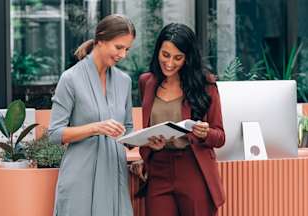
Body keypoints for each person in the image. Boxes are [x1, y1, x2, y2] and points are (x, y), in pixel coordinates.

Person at [133, 23, 226, 216]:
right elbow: (148, 129)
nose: (169, 63)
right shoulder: (147, 82)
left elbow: (220, 137)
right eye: (165, 55)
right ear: (158, 50)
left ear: (188, 58)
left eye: (178, 58)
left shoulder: (205, 85)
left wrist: (205, 133)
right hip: (159, 169)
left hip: (193, 169)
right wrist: (150, 148)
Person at [48, 14, 136, 216]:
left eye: (127, 49)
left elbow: (128, 130)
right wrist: (95, 127)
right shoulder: (70, 79)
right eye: (119, 47)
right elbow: (54, 134)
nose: (123, 55)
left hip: (114, 177)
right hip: (80, 179)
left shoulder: (124, 81)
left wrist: (148, 140)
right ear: (101, 41)